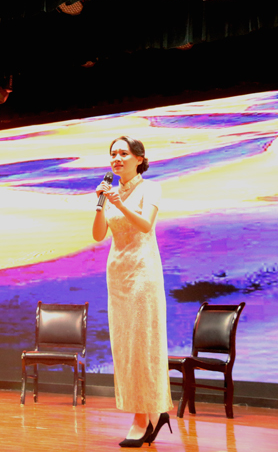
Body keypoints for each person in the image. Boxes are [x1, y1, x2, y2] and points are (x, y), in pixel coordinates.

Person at [92, 136, 173, 448]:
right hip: (118, 275)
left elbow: (145, 225)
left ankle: (142, 417)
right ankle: (154, 412)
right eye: (113, 153)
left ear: (139, 158)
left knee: (142, 344)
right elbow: (98, 235)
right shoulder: (110, 191)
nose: (116, 158)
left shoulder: (150, 188)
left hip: (143, 272)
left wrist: (119, 203)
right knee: (124, 345)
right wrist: (100, 204)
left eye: (123, 153)